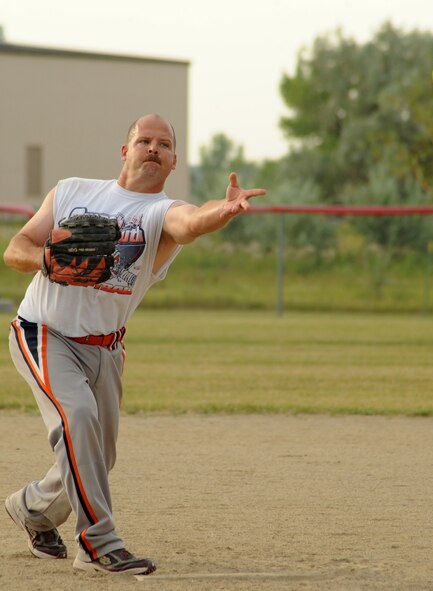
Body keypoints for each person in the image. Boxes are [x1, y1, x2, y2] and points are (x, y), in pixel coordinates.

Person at [3, 113, 267, 576]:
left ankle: (33, 508)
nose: (152, 148)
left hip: (106, 348)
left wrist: (221, 212)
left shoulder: (160, 213)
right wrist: (46, 259)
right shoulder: (72, 191)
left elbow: (190, 223)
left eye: (163, 144)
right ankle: (98, 544)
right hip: (44, 330)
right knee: (78, 418)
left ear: (173, 162)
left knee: (100, 457)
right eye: (143, 140)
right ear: (124, 151)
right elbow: (16, 249)